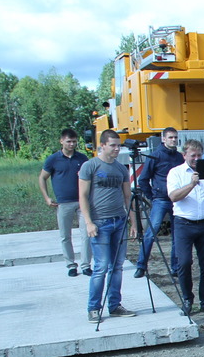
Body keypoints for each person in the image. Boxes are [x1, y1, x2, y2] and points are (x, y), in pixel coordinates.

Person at [78, 129, 135, 323]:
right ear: (102, 145)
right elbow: (83, 196)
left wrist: (133, 221)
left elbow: (128, 197)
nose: (116, 149)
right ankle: (94, 308)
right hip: (100, 222)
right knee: (101, 266)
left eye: (118, 145)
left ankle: (115, 305)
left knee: (117, 266)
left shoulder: (121, 168)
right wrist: (88, 222)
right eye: (113, 145)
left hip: (119, 221)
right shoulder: (90, 166)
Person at [168, 139, 204, 315]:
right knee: (184, 263)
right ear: (184, 155)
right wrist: (191, 184)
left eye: (199, 155)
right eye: (193, 155)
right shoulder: (176, 173)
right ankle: (187, 300)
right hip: (184, 224)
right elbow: (174, 197)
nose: (196, 158)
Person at [39, 128, 92, 277]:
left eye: (74, 141)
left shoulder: (82, 159)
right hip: (63, 203)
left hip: (82, 202)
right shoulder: (53, 159)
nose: (71, 144)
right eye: (68, 141)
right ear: (61, 141)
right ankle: (71, 265)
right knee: (65, 235)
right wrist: (47, 197)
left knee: (86, 234)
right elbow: (42, 178)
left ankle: (86, 265)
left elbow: (90, 178)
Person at [133, 127, 184, 279]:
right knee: (150, 233)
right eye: (170, 137)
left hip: (177, 201)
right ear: (163, 139)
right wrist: (152, 196)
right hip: (160, 200)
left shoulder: (179, 157)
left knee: (177, 235)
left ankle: (175, 267)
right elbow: (143, 179)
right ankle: (141, 266)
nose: (173, 140)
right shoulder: (154, 156)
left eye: (175, 137)